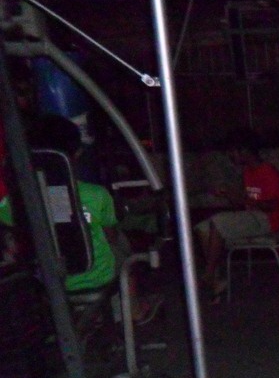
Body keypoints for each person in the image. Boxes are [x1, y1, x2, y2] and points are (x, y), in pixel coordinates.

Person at [0, 114, 162, 322]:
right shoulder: (95, 194)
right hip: (95, 275)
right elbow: (111, 236)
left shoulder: (14, 201)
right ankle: (133, 309)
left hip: (43, 277)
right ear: (76, 154)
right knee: (121, 249)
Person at [193, 129, 279, 299]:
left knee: (217, 221)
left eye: (233, 151)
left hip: (268, 221)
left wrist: (244, 200)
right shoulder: (248, 172)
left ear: (245, 151)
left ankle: (209, 274)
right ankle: (215, 280)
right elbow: (244, 202)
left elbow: (272, 206)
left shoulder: (267, 171)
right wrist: (227, 194)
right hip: (254, 217)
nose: (230, 155)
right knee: (202, 227)